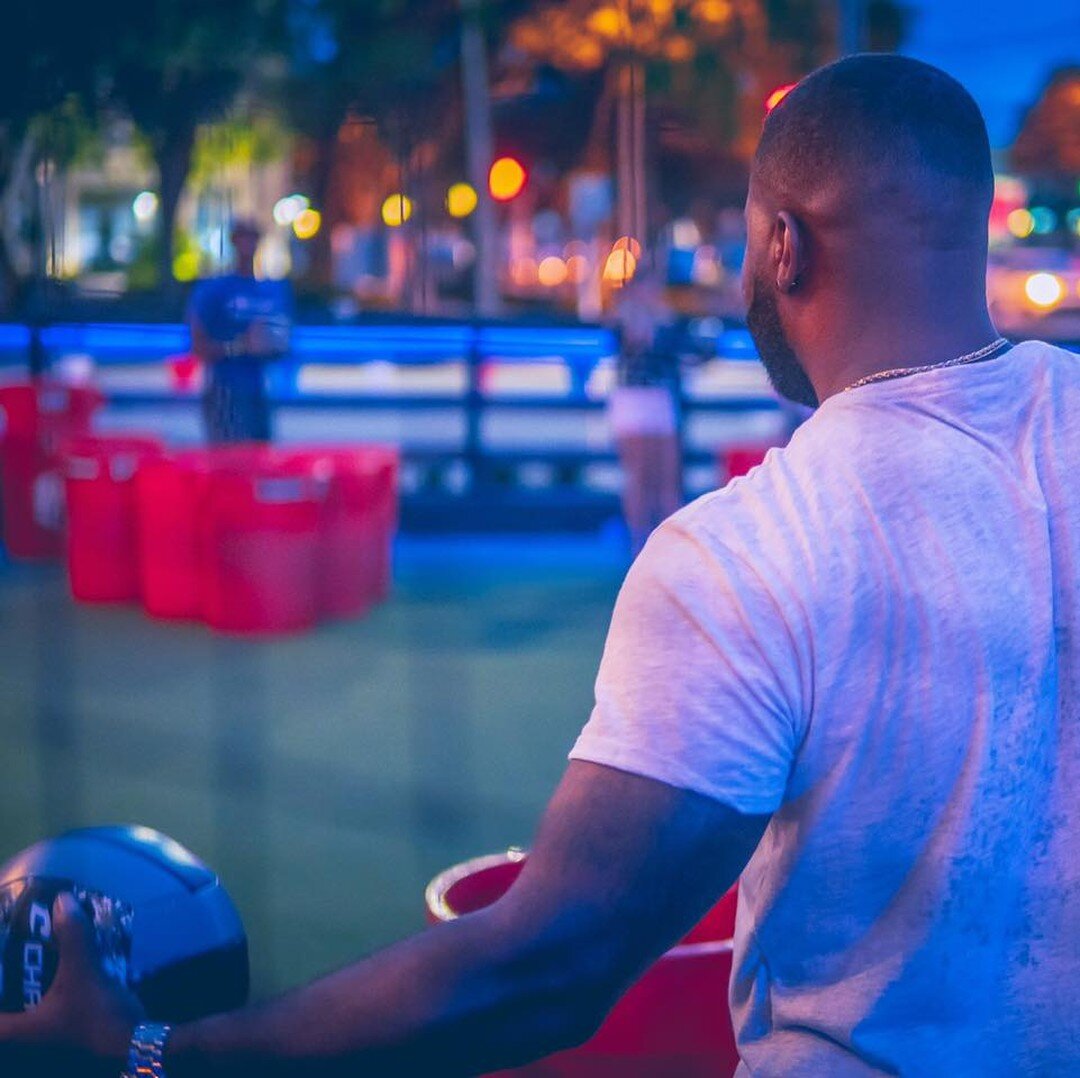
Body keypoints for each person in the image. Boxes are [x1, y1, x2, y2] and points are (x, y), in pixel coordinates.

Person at [4, 54, 1079, 1076]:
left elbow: (548, 966)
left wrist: (148, 1054)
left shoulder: (757, 548)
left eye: (752, 240)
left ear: (785, 246)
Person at [187, 219, 292, 443]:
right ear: (233, 241)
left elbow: (284, 342)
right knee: (229, 463)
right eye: (243, 237)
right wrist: (241, 346)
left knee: (260, 458)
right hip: (224, 390)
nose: (248, 244)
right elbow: (198, 346)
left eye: (253, 237)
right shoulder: (214, 290)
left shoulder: (271, 291)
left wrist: (272, 344)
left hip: (259, 390)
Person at [607, 269, 683, 556]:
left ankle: (668, 542)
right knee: (638, 473)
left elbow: (677, 351)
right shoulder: (624, 317)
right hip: (634, 398)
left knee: (666, 475)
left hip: (659, 397)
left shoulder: (665, 317)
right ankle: (638, 540)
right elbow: (627, 345)